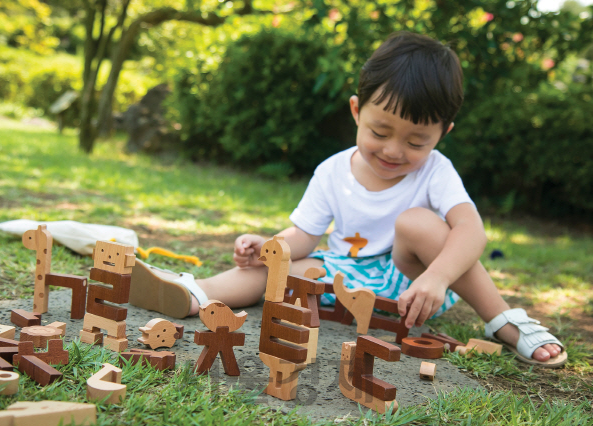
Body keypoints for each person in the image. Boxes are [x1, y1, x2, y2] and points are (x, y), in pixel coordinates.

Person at [129, 31, 566, 367]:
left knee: (418, 223)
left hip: (410, 286)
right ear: (357, 112)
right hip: (340, 280)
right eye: (380, 132)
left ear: (442, 134)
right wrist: (270, 247)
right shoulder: (333, 170)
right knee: (282, 269)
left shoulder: (437, 172)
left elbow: (471, 231)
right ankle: (194, 295)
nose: (394, 151)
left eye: (417, 141)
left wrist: (435, 278)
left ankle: (505, 322)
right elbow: (304, 233)